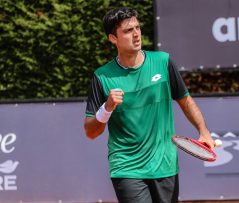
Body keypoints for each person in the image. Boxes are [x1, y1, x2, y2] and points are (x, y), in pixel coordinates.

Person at [84, 7, 215, 203]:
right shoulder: (102, 77)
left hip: (165, 164)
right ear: (113, 38)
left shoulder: (163, 62)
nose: (136, 34)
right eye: (128, 31)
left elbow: (185, 100)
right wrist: (107, 108)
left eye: (137, 28)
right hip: (127, 167)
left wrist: (203, 131)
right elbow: (91, 131)